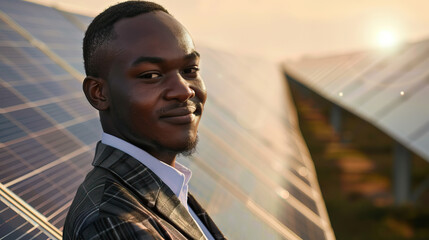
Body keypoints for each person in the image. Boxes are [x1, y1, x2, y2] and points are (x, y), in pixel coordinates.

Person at [63, 1, 225, 239]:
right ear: (99, 93)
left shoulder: (164, 186)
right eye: (151, 75)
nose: (184, 91)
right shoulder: (112, 221)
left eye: (190, 70)